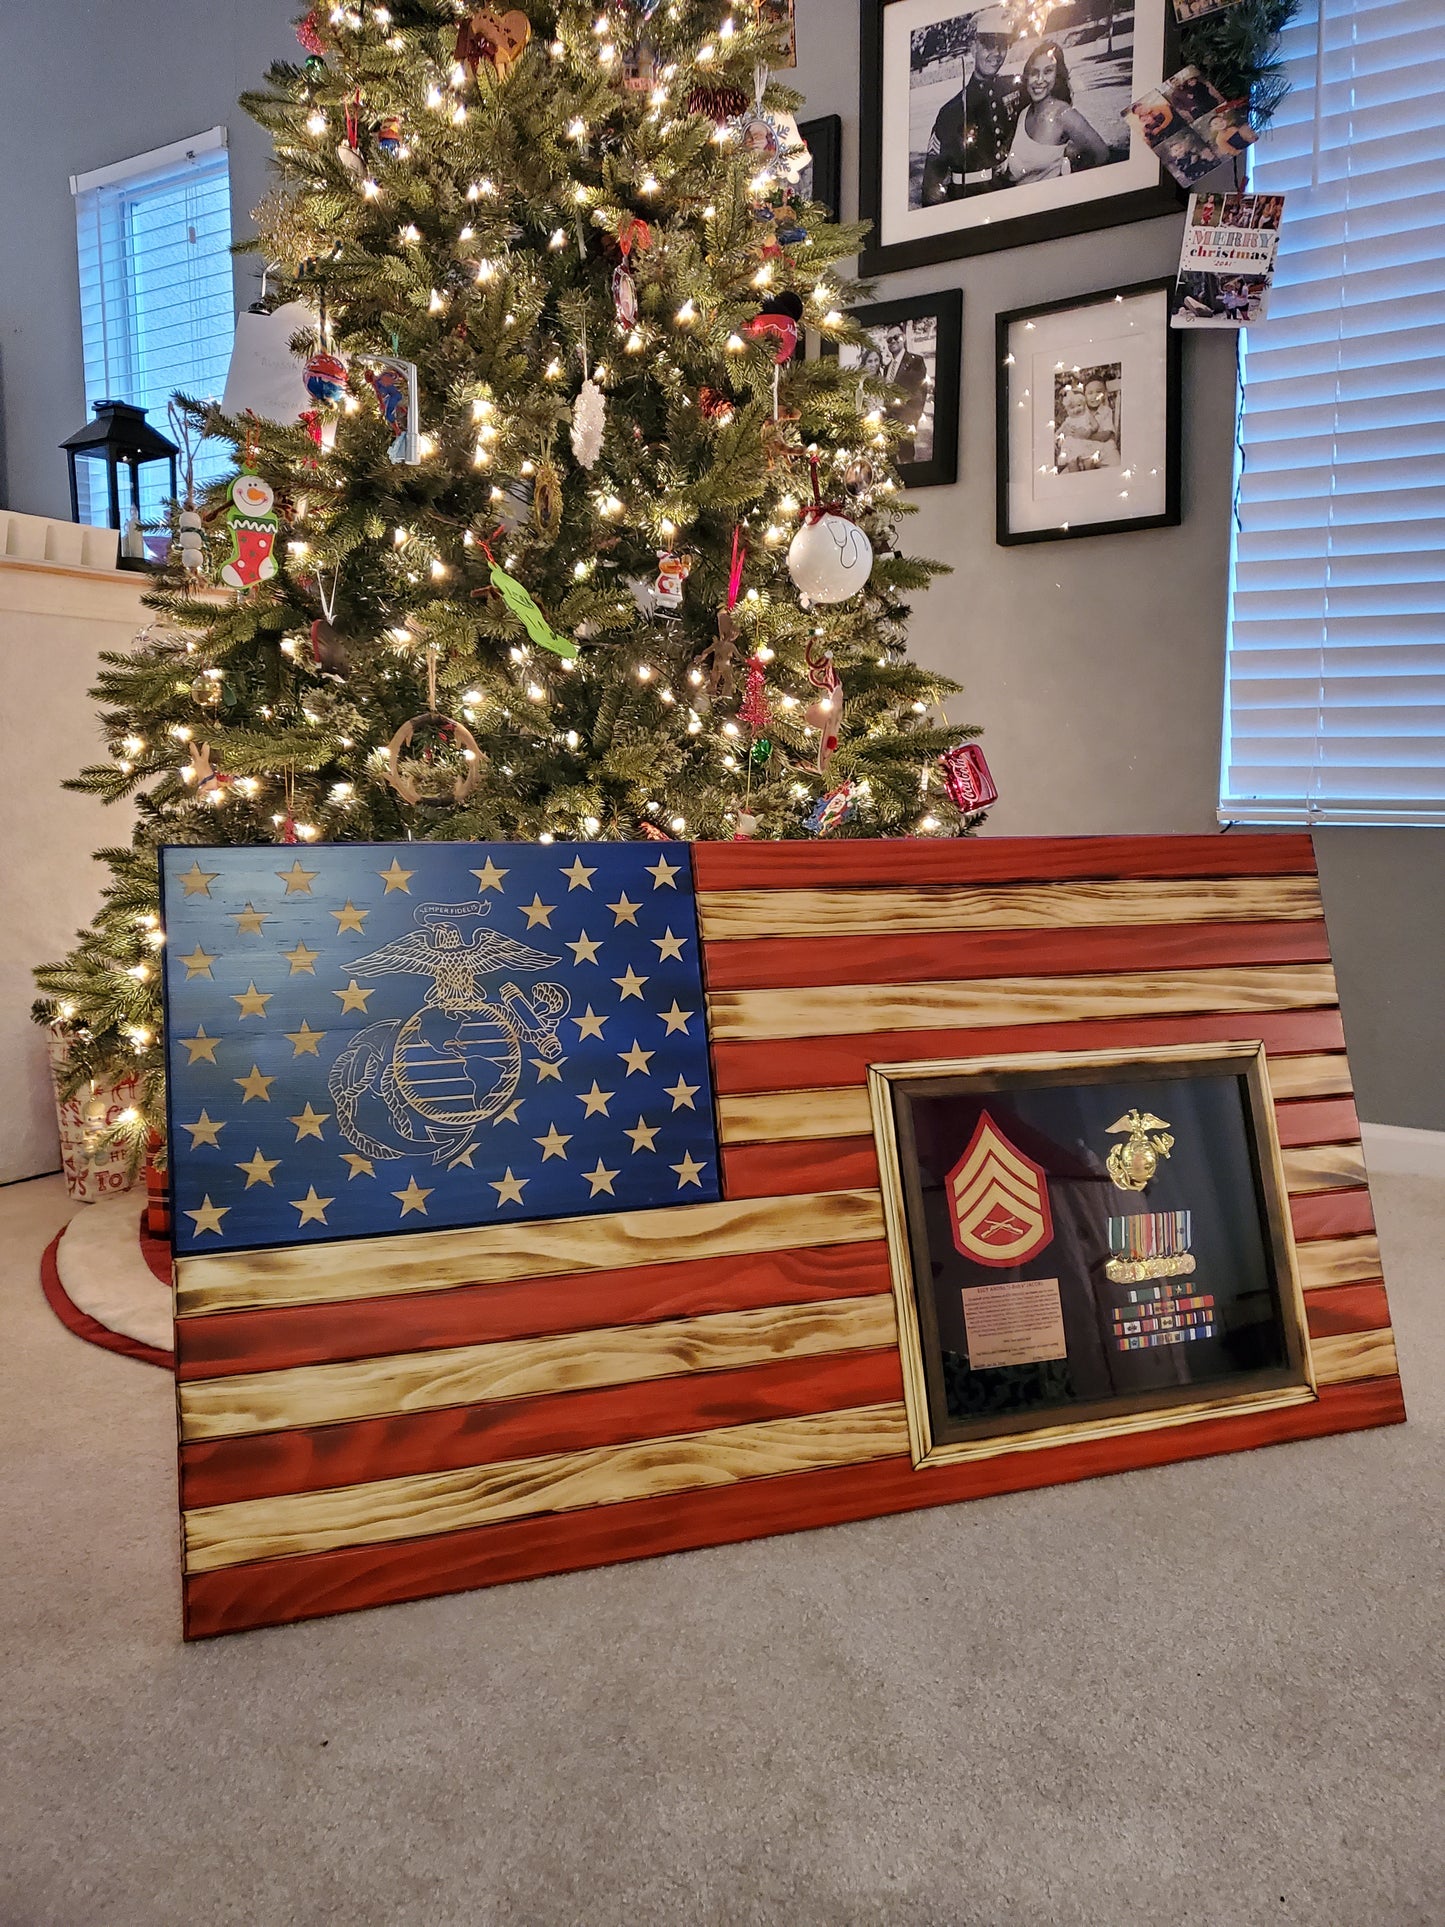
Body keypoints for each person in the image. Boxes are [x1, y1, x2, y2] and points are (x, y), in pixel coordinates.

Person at [920, 7, 1023, 202]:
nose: (997, 53)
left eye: (1002, 45)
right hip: (972, 199)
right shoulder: (951, 112)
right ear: (973, 48)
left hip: (1013, 194)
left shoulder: (1016, 88)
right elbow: (932, 184)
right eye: (988, 45)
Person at [1005, 40, 1110, 185]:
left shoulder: (1064, 114)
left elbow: (1102, 154)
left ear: (1057, 76)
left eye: (1048, 71)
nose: (1040, 80)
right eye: (1034, 72)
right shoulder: (1023, 113)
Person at [877, 324, 929, 463]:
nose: (893, 341)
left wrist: (911, 421)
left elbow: (919, 393)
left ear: (903, 338)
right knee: (890, 465)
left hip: (905, 424)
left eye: (896, 337)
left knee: (907, 462)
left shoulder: (915, 361)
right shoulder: (887, 368)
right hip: (887, 426)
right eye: (889, 340)